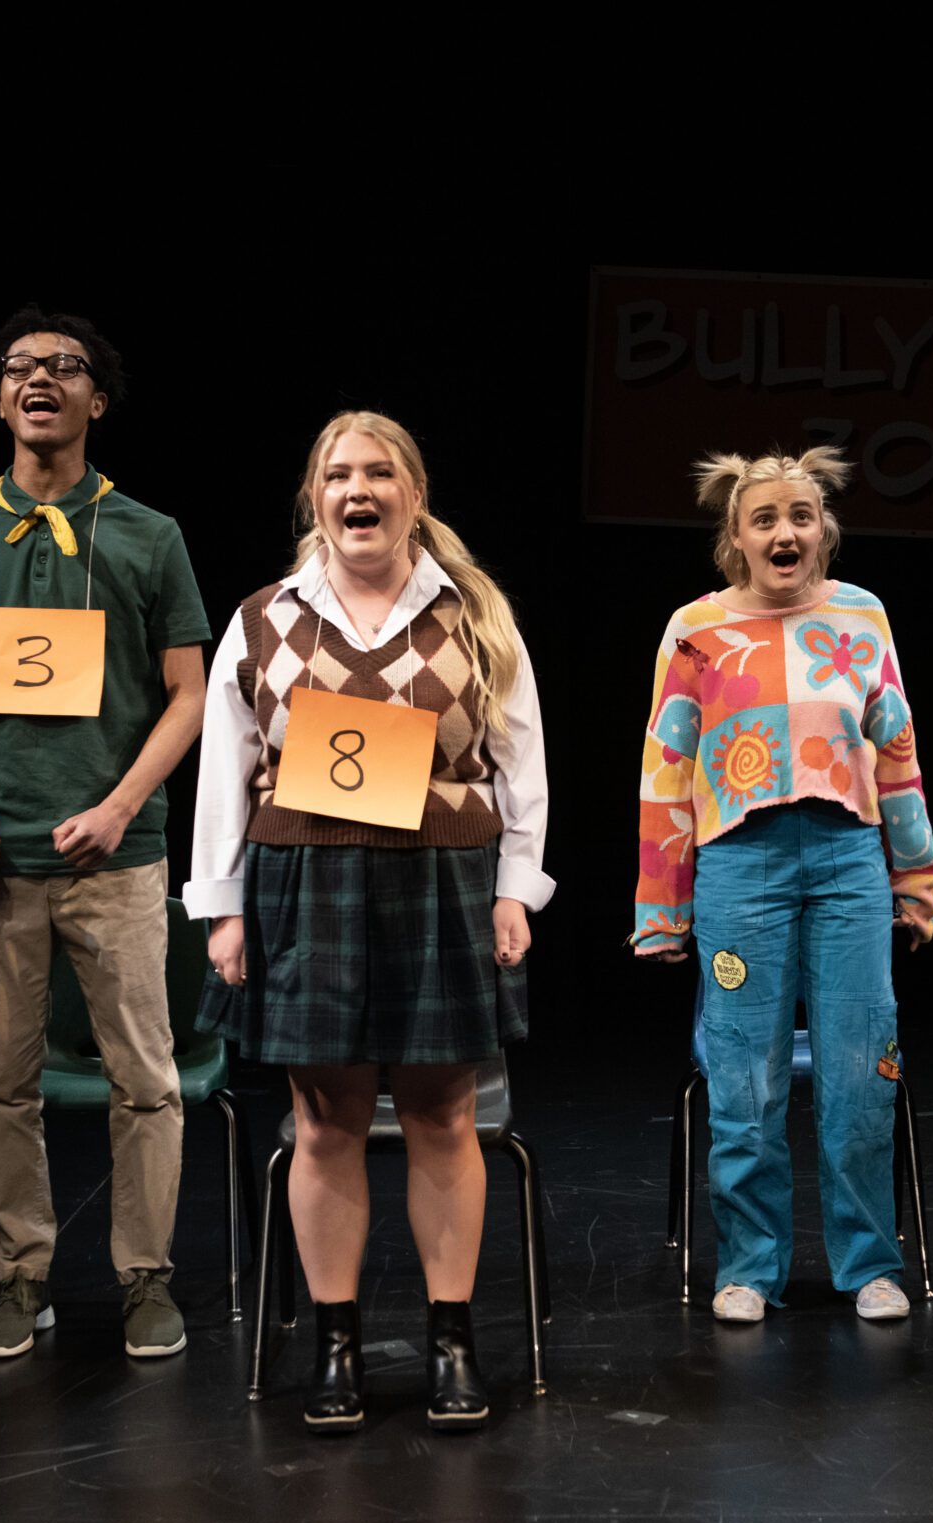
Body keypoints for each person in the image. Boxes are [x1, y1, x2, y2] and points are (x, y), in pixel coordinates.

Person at [188, 410, 550, 1434]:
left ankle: (450, 1342)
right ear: (316, 499)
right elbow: (225, 769)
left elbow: (521, 760)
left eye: (379, 472)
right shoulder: (264, 617)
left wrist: (515, 886)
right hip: (306, 887)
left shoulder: (475, 613)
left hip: (440, 879)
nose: (359, 489)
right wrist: (221, 908)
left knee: (442, 1118)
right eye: (339, 474)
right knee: (324, 1121)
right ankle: (335, 1343)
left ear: (413, 495)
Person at [0, 306, 210, 1362]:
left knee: (148, 1079)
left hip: (116, 859)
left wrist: (122, 803)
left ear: (96, 400)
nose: (42, 378)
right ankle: (20, 1273)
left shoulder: (148, 534)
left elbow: (188, 694)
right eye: (21, 367)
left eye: (65, 366)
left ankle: (145, 1276)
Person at [630, 447, 933, 1326]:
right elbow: (666, 769)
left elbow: (898, 754)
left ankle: (869, 1263)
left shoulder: (861, 614)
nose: (784, 531)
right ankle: (750, 1263)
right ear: (736, 535)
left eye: (799, 517)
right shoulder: (695, 628)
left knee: (859, 1071)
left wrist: (915, 878)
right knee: (743, 1076)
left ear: (823, 530)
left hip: (848, 865)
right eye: (764, 518)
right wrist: (661, 907)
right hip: (741, 870)